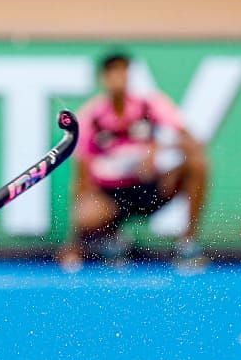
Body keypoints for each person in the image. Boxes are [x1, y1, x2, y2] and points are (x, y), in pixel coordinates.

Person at [57, 51, 209, 271]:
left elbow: (193, 142)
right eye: (113, 73)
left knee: (197, 164)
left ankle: (187, 244)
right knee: (87, 216)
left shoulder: (150, 105)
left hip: (150, 186)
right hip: (112, 195)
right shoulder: (91, 116)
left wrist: (157, 150)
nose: (119, 78)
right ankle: (112, 238)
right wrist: (74, 242)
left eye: (124, 71)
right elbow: (82, 176)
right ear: (103, 78)